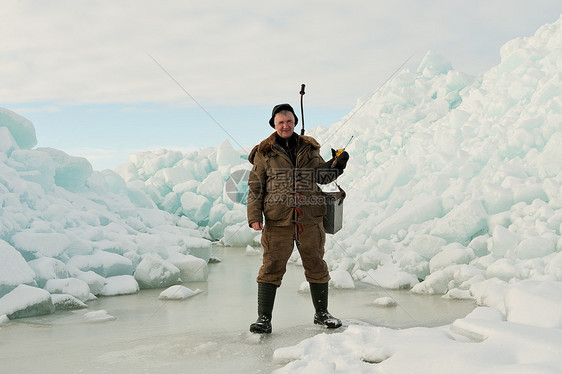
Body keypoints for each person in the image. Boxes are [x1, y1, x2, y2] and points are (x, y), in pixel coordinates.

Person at [247, 103, 349, 334]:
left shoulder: (309, 148)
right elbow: (255, 187)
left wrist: (337, 164)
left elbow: (321, 177)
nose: (285, 125)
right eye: (281, 122)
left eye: (289, 121)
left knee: (316, 263)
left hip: (310, 218)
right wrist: (254, 216)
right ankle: (264, 319)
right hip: (277, 219)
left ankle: (322, 314)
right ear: (273, 124)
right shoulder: (264, 152)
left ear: (295, 123)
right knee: (271, 266)